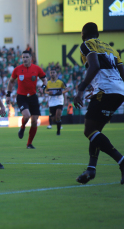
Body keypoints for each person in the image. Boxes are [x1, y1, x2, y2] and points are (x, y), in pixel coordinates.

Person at [74, 22, 124, 184]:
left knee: (89, 130)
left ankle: (122, 161)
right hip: (118, 91)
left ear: (83, 34)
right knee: (96, 132)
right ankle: (91, 169)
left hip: (106, 91)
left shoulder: (86, 45)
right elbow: (122, 72)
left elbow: (94, 66)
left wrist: (81, 89)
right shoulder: (111, 49)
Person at [6, 50, 47, 149]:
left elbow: (45, 79)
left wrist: (43, 87)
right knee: (27, 115)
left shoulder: (36, 69)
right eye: (23, 57)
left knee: (34, 121)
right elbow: (11, 82)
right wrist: (8, 94)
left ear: (30, 58)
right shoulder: (17, 69)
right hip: (21, 96)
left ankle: (29, 143)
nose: (24, 59)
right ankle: (23, 127)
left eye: (26, 57)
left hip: (33, 96)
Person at [45, 68, 69, 135]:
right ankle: (59, 124)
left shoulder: (60, 82)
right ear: (50, 74)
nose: (52, 74)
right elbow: (45, 91)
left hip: (59, 101)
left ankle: (58, 131)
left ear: (56, 73)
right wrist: (48, 92)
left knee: (58, 115)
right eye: (51, 73)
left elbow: (67, 89)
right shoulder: (48, 83)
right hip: (51, 102)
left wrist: (62, 92)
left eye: (53, 72)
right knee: (53, 119)